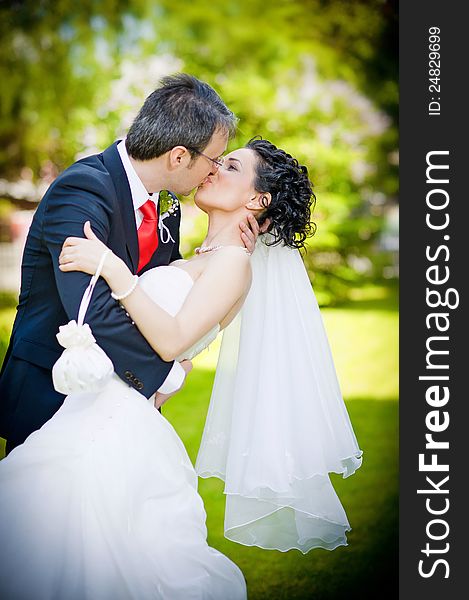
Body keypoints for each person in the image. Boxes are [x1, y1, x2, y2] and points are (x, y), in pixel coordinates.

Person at [0, 139, 363, 599]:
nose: (212, 168)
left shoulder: (234, 264)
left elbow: (171, 341)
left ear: (257, 200)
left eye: (230, 165)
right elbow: (182, 361)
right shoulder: (201, 258)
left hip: (109, 426)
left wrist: (115, 270)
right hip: (105, 414)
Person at [0, 73, 259, 454]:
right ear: (179, 156)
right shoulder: (83, 190)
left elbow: (165, 298)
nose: (215, 170)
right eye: (214, 159)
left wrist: (228, 263)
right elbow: (92, 309)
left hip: (120, 410)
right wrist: (165, 376)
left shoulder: (167, 207)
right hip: (53, 394)